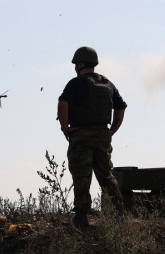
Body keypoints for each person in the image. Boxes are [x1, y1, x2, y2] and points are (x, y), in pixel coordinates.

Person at [57, 46, 127, 227]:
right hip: (103, 135)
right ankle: (119, 214)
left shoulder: (75, 83)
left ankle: (81, 216)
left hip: (81, 135)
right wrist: (111, 131)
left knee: (82, 175)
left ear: (79, 64)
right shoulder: (107, 84)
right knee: (106, 174)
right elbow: (121, 107)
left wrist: (65, 128)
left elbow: (63, 105)